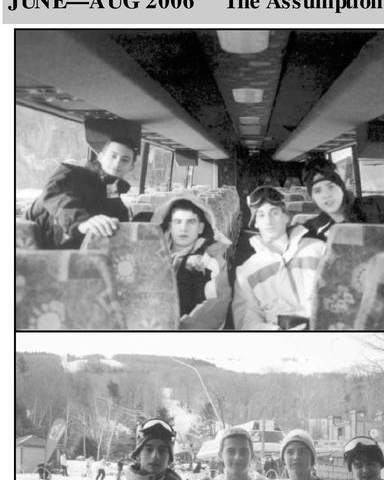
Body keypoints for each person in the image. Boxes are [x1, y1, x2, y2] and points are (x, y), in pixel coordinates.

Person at [27, 118, 138, 249]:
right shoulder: (71, 174)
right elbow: (54, 194)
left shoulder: (117, 205)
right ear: (101, 157)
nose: (117, 163)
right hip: (36, 248)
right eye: (113, 156)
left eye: (124, 160)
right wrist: (82, 222)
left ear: (131, 167)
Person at [232, 186, 326, 330]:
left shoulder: (318, 249)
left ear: (285, 217)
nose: (268, 221)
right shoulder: (245, 272)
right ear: (255, 223)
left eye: (274, 213)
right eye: (261, 215)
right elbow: (247, 323)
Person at [151, 194, 232, 330]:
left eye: (191, 222)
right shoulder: (149, 254)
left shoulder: (212, 262)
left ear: (200, 228)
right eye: (178, 222)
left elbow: (215, 306)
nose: (183, 228)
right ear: (170, 227)